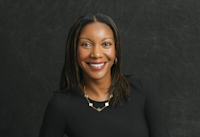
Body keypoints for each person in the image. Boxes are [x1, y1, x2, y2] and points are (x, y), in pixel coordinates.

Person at [39, 13, 170, 137]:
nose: (96, 54)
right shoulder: (60, 105)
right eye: (86, 44)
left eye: (106, 44)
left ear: (116, 51)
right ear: (74, 51)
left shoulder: (143, 91)